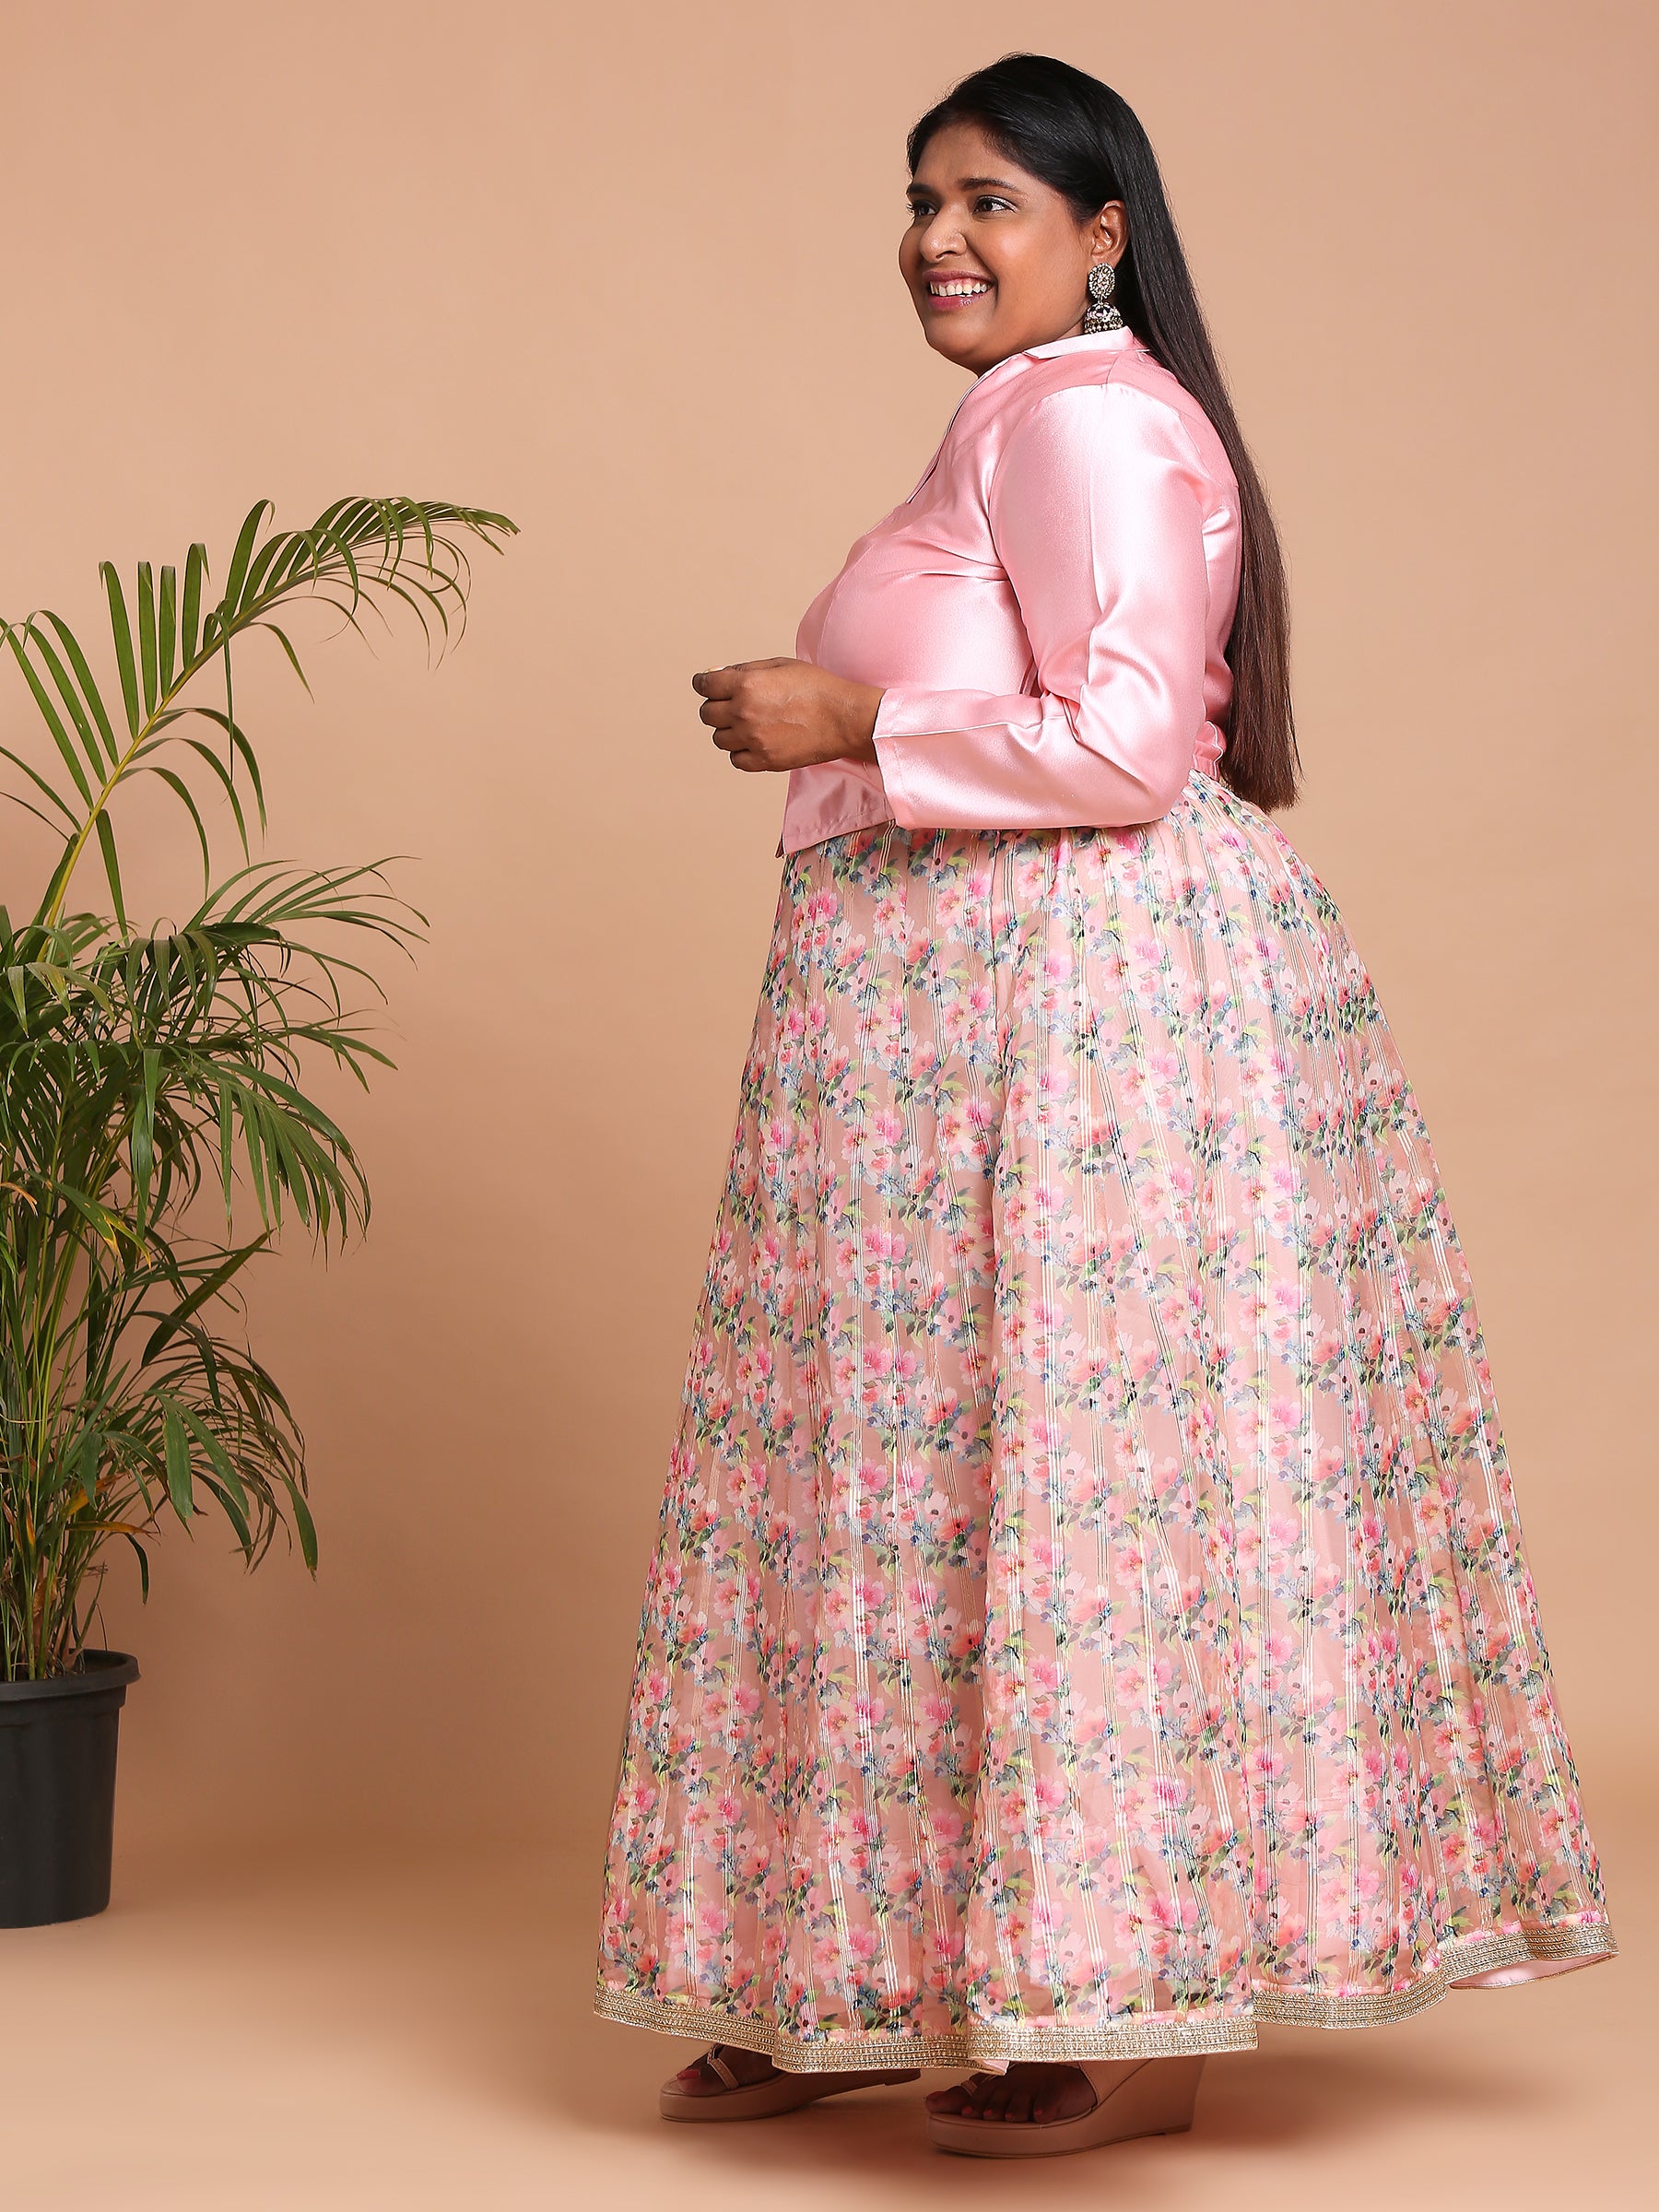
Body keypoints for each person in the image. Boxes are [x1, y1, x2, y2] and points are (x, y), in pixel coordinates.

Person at [593, 51, 1616, 2161]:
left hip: (1083, 1008)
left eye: (991, 200)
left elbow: (1134, 741)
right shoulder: (1020, 419)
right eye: (920, 198)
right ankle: (853, 1969)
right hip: (953, 1009)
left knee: (1068, 1484)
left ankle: (1119, 1993)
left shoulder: (1085, 416)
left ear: (1103, 233)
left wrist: (855, 714)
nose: (940, 237)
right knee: (905, 1475)